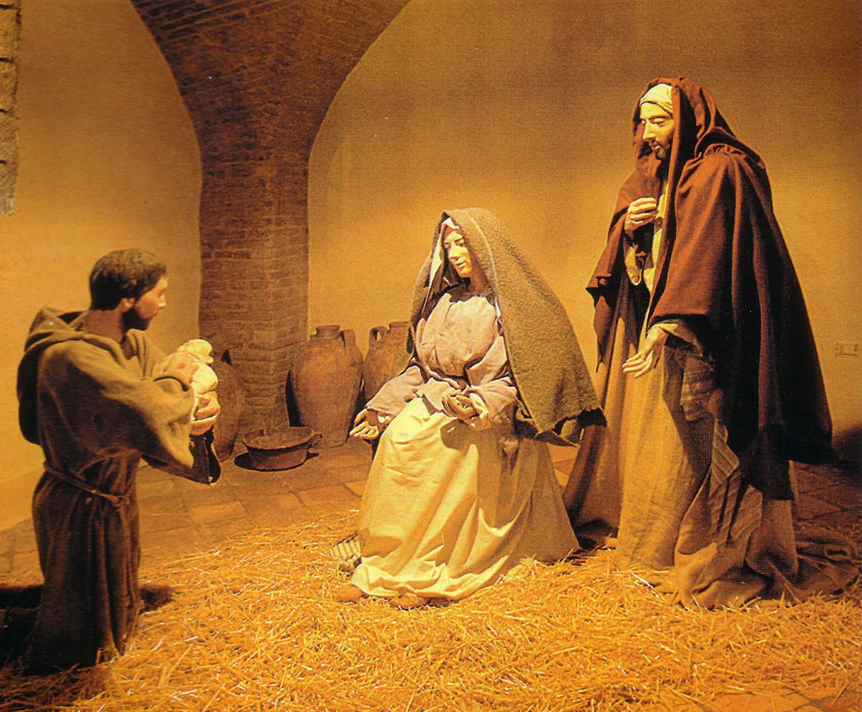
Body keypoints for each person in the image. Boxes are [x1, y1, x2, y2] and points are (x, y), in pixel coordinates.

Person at [564, 78, 855, 607]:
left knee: (702, 443)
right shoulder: (646, 179)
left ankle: (717, 546)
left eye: (660, 119)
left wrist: (673, 323)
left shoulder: (724, 169)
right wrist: (628, 232)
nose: (648, 133)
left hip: (714, 340)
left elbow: (717, 256)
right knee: (662, 448)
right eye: (642, 121)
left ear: (690, 119)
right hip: (657, 335)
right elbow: (640, 261)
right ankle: (658, 543)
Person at [0, 249, 221, 672]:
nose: (164, 303)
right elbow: (147, 410)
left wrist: (199, 411)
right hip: (79, 503)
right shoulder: (70, 357)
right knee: (77, 639)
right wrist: (177, 380)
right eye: (159, 294)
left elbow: (164, 404)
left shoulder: (131, 342)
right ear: (127, 298)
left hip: (113, 496)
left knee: (111, 610)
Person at [336, 208, 603, 609]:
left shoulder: (512, 308)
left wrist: (480, 403)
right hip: (437, 398)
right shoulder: (443, 302)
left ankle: (430, 569)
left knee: (444, 451)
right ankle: (383, 564)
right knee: (398, 440)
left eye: (463, 243)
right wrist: (382, 408)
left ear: (486, 245)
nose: (455, 253)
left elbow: (522, 378)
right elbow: (420, 367)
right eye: (448, 245)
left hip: (491, 413)